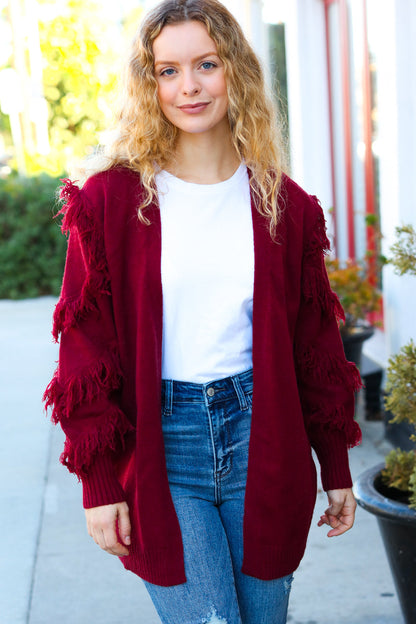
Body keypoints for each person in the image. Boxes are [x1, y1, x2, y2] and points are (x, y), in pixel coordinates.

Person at [44, 1, 363, 622]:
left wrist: (337, 465)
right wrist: (99, 483)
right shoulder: (110, 201)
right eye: (167, 71)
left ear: (235, 72)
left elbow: (316, 348)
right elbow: (85, 349)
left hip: (263, 437)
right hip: (165, 445)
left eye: (206, 65)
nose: (188, 86)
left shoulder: (285, 207)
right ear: (149, 83)